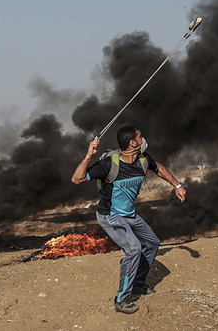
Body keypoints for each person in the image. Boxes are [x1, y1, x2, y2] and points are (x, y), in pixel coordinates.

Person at [71, 125, 187, 314]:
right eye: (141, 137)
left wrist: (177, 185)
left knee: (152, 242)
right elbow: (77, 179)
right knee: (134, 248)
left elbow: (159, 169)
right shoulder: (110, 164)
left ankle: (138, 284)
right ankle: (122, 299)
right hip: (110, 215)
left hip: (129, 214)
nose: (144, 139)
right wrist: (89, 155)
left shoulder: (143, 159)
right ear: (132, 142)